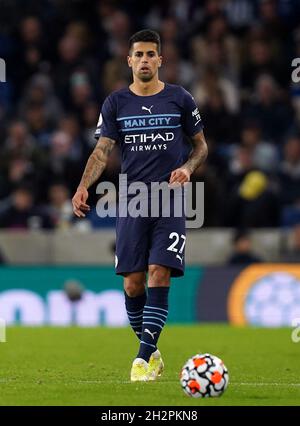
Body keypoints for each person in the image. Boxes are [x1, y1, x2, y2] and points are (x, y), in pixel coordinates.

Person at [72, 30, 208, 382]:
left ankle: (141, 359)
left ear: (160, 60)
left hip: (171, 196)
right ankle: (155, 353)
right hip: (132, 199)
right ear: (129, 61)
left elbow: (201, 147)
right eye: (139, 55)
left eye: (151, 54)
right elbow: (102, 151)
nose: (145, 60)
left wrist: (187, 168)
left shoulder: (180, 98)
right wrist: (84, 186)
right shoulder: (116, 103)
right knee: (133, 284)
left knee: (158, 272)